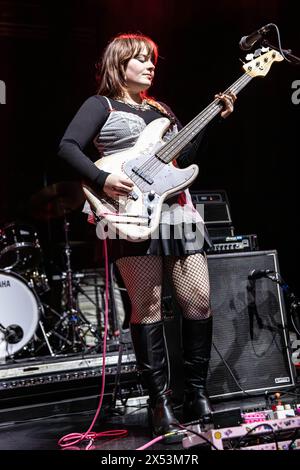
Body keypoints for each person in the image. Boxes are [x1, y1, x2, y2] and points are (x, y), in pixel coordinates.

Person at [58, 33, 236, 440]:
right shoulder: (100, 104)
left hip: (177, 209)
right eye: (140, 59)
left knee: (198, 300)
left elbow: (182, 161)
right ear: (119, 65)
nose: (150, 65)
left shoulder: (161, 109)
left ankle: (196, 393)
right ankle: (160, 403)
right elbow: (67, 147)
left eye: (152, 59)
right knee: (149, 306)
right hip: (129, 211)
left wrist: (212, 122)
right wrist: (103, 179)